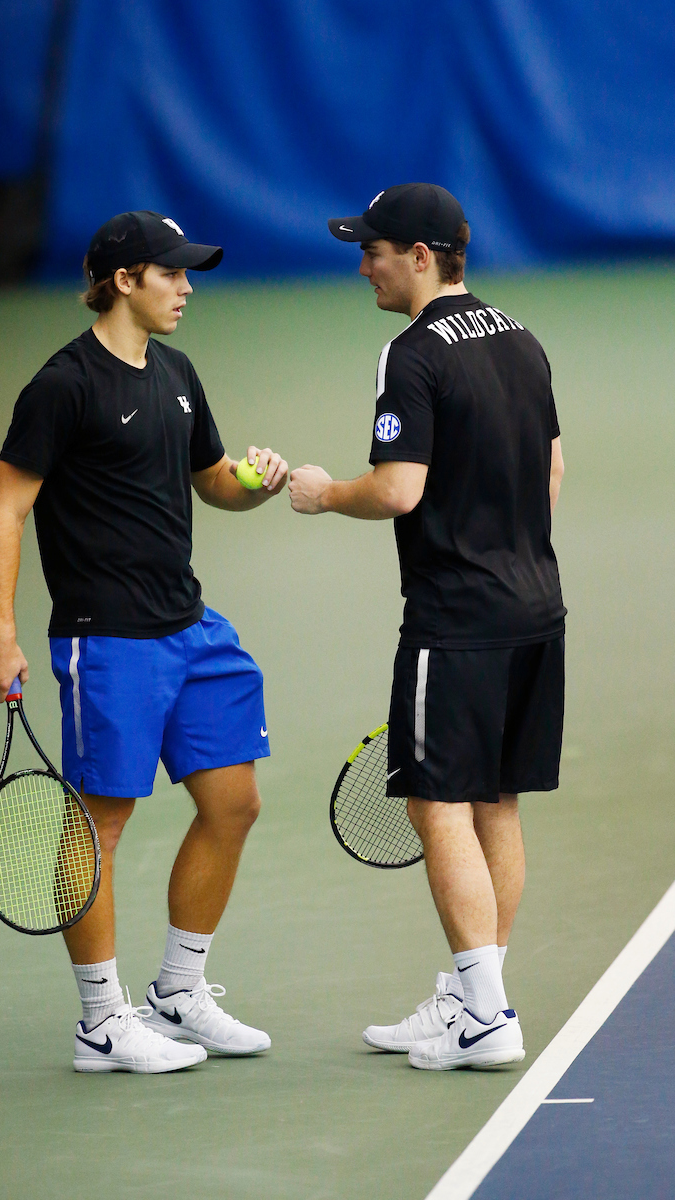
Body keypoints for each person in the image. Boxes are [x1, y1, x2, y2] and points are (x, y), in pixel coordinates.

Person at [0, 210, 288, 1074]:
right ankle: (101, 1022)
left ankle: (178, 992)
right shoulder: (62, 385)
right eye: (172, 274)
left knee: (234, 803)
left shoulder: (177, 373)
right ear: (123, 281)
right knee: (100, 828)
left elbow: (211, 480)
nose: (187, 288)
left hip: (191, 630)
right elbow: (6, 508)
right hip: (107, 640)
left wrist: (254, 484)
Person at [289, 184, 565, 1070]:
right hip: (535, 607)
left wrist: (325, 492)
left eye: (372, 250)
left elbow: (399, 488)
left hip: (455, 622)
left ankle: (486, 1019)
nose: (362, 265)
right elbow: (551, 471)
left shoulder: (408, 354)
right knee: (497, 802)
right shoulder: (522, 337)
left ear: (419, 256)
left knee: (436, 803)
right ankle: (467, 998)